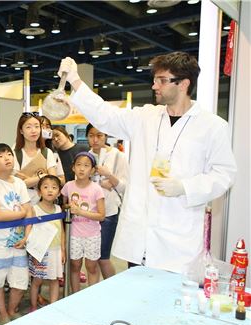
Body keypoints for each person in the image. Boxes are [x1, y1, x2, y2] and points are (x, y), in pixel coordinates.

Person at [56, 52, 237, 273]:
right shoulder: (146, 117)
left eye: (161, 80)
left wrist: (185, 187)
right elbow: (106, 115)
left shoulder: (212, 126)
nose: (154, 86)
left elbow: (224, 174)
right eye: (155, 80)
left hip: (178, 241)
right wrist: (75, 80)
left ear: (184, 84)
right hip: (140, 237)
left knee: (171, 299)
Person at [0, 143, 33, 325]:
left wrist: (26, 237)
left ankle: (12, 310)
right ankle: (2, 312)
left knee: (20, 281)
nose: (7, 158)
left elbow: (30, 211)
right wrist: (20, 214)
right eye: (1, 156)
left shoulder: (20, 183)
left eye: (9, 154)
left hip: (20, 240)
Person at [86, 124, 129, 279]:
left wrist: (109, 176)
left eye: (99, 135)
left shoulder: (118, 156)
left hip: (108, 211)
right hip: (89, 212)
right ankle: (96, 290)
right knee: (91, 259)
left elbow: (125, 187)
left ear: (106, 136)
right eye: (91, 135)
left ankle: (113, 290)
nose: (95, 139)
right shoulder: (86, 156)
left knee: (103, 257)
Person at [61, 152, 105, 292]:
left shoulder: (96, 189)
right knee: (75, 266)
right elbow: (64, 205)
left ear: (92, 170)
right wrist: (68, 207)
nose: (81, 169)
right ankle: (75, 295)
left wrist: (81, 212)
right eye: (78, 165)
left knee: (91, 267)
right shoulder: (68, 186)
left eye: (86, 166)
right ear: (73, 167)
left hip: (92, 234)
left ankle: (91, 296)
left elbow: (101, 216)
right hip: (73, 234)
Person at [29, 175, 65, 312]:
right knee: (37, 281)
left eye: (54, 187)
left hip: (55, 251)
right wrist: (33, 254)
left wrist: (63, 249)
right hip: (41, 252)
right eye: (45, 187)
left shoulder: (58, 209)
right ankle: (33, 307)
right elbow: (31, 232)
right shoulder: (35, 209)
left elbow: (61, 230)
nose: (50, 190)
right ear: (39, 192)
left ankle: (53, 308)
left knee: (54, 280)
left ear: (59, 192)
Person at [13, 112, 57, 205]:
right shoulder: (15, 152)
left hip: (43, 204)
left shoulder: (47, 152)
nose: (34, 131)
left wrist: (27, 180)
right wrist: (42, 176)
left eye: (37, 126)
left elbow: (53, 181)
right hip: (22, 203)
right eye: (28, 127)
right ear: (21, 130)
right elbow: (16, 184)